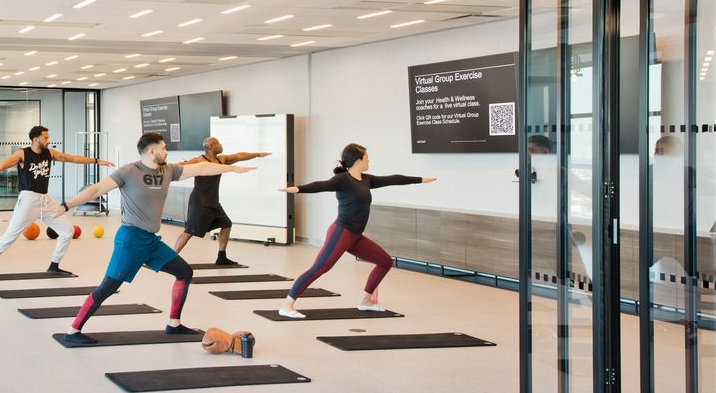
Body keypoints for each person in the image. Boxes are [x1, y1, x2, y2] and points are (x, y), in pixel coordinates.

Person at [51, 132, 256, 344]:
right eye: (164, 148)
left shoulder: (168, 170)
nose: (167, 151)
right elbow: (96, 189)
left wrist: (231, 168)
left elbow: (202, 168)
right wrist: (66, 206)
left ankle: (173, 324)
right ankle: (73, 330)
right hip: (130, 240)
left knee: (184, 272)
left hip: (151, 241)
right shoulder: (129, 171)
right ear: (152, 151)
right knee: (108, 287)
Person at [277, 143, 435, 317]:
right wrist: (299, 189)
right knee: (320, 268)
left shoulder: (367, 180)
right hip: (341, 232)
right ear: (358, 160)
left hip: (355, 236)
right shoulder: (343, 180)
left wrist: (419, 180)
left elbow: (393, 179)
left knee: (385, 262)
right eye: (367, 157)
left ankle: (365, 301)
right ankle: (287, 306)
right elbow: (322, 185)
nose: (369, 160)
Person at [0, 126, 115, 280]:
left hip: (44, 199)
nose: (48, 140)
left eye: (48, 137)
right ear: (35, 139)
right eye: (45, 138)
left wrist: (97, 161)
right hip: (28, 199)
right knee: (9, 236)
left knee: (67, 231)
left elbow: (71, 158)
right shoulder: (22, 154)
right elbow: (0, 166)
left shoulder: (50, 153)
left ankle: (54, 267)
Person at [172, 137, 270, 265]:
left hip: (213, 202)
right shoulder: (199, 160)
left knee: (227, 224)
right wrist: (164, 167)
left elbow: (239, 156)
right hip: (200, 202)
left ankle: (221, 257)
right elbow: (182, 167)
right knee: (189, 231)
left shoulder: (221, 159)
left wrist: (257, 154)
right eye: (218, 143)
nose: (221, 145)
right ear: (211, 147)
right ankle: (169, 259)